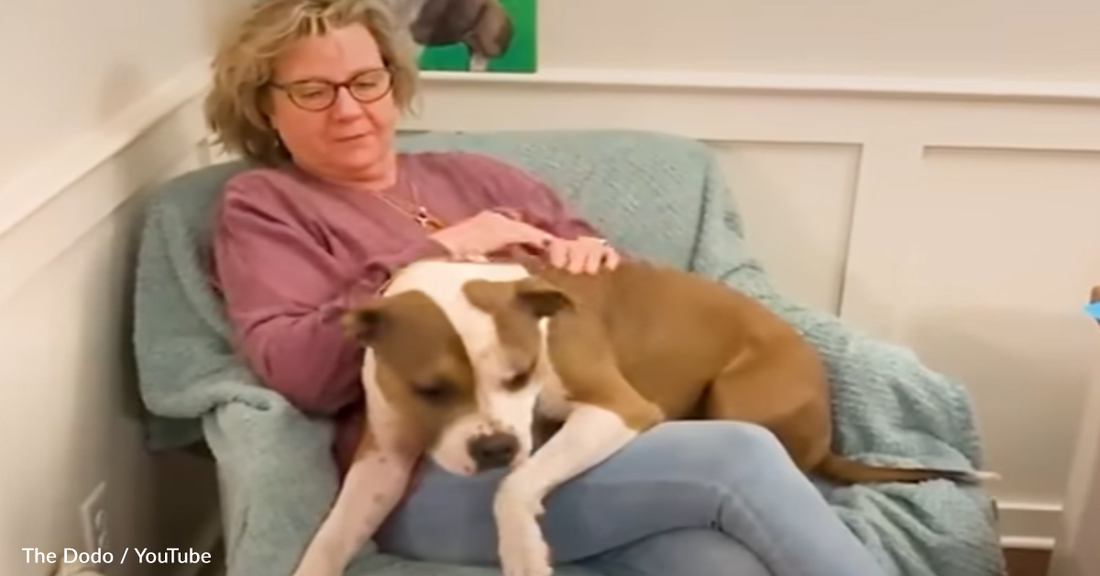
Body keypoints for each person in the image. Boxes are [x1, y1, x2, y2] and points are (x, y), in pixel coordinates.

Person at [203, 1, 888, 575]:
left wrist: (589, 254)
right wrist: (439, 248)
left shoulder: (476, 176)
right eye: (313, 91)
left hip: (564, 443)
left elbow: (595, 292)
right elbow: (298, 370)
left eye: (366, 81)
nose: (348, 109)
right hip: (431, 483)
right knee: (737, 453)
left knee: (716, 563)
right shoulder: (264, 205)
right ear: (264, 109)